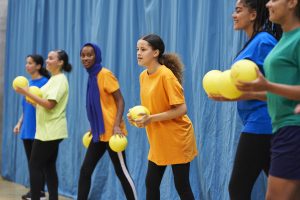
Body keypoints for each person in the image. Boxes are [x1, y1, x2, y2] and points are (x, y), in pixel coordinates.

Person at [209, 0, 282, 199]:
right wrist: (227, 96)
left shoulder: (264, 41)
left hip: (262, 123)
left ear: (253, 15)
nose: (234, 15)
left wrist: (233, 95)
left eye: (238, 10)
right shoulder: (255, 41)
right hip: (261, 123)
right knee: (285, 192)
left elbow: (280, 87)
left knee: (238, 188)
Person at [236, 0, 300, 199]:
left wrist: (267, 86)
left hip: (289, 127)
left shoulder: (288, 39)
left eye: (273, 0)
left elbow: (273, 86)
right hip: (281, 128)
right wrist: (246, 94)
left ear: (292, 3)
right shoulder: (284, 40)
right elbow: (278, 91)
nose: (269, 4)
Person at [128, 34, 198, 200]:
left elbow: (182, 109)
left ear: (155, 53)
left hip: (177, 137)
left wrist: (150, 119)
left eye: (143, 49)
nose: (138, 53)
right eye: (137, 49)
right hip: (158, 139)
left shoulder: (166, 75)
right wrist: (138, 119)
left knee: (182, 185)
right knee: (151, 184)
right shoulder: (143, 76)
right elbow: (150, 109)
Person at [77, 43, 137, 200]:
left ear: (96, 56)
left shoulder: (105, 74)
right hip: (99, 133)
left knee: (122, 172)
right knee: (85, 171)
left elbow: (120, 101)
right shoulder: (91, 76)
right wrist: (94, 125)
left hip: (112, 133)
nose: (85, 58)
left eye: (89, 55)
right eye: (83, 55)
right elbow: (97, 105)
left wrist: (117, 125)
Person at [15, 49, 72, 200]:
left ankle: (35, 197)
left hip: (50, 132)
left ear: (60, 62)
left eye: (51, 58)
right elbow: (42, 105)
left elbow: (49, 105)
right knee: (49, 167)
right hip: (46, 130)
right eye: (47, 58)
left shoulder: (60, 80)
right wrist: (32, 101)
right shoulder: (53, 79)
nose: (47, 60)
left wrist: (27, 93)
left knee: (35, 166)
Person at [13, 54, 49, 200]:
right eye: (26, 63)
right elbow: (25, 108)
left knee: (38, 163)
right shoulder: (26, 82)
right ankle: (36, 190)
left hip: (39, 128)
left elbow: (45, 106)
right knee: (31, 162)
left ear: (38, 66)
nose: (27, 65)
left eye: (30, 63)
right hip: (27, 128)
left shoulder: (45, 82)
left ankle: (39, 192)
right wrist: (19, 123)